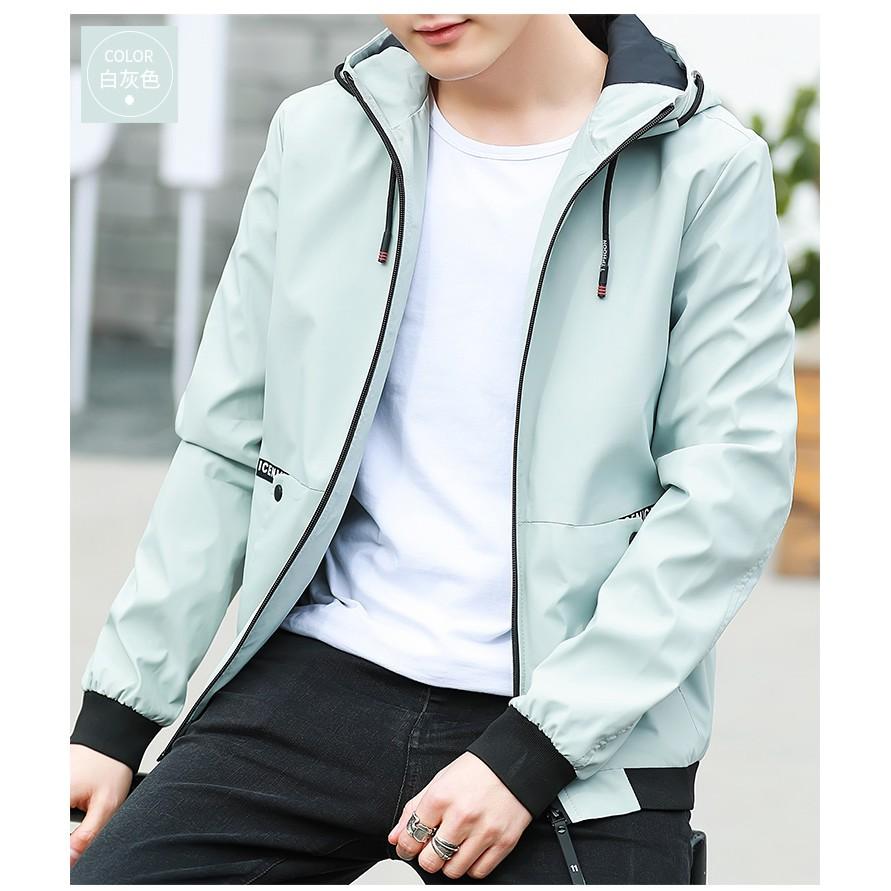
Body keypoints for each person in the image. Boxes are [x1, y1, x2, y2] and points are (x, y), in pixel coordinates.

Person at [69, 13, 797, 885]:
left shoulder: (703, 168)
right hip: (321, 672)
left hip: (573, 720)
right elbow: (229, 439)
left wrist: (533, 750)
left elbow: (725, 493)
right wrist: (115, 717)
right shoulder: (322, 135)